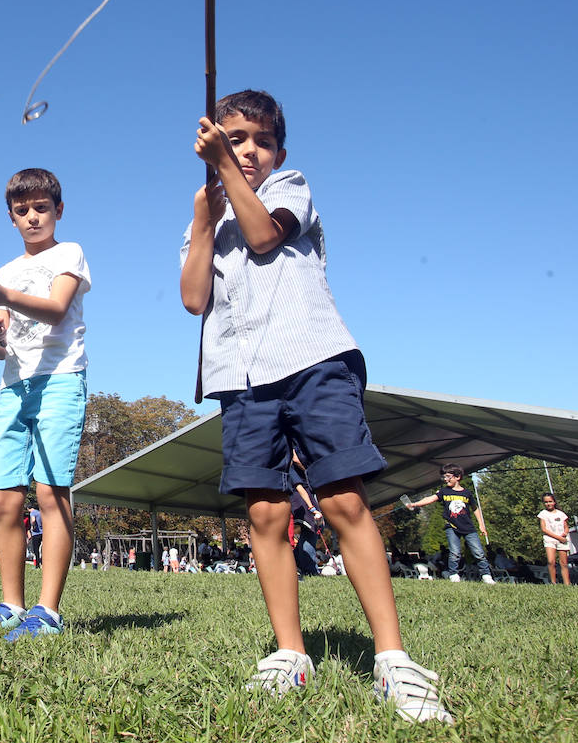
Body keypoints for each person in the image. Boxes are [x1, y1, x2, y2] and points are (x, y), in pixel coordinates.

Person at [180, 90, 452, 723]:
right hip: (241, 379)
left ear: (279, 152)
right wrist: (200, 220)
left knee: (342, 498)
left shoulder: (291, 188)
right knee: (266, 513)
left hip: (313, 360)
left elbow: (266, 237)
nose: (247, 151)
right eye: (233, 139)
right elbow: (194, 299)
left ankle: (393, 659)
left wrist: (225, 170)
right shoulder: (210, 215)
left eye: (258, 141)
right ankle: (288, 654)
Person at [0, 168, 90, 641]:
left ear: (58, 211)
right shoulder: (7, 272)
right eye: (23, 211)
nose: (33, 217)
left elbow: (57, 308)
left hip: (60, 379)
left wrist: (6, 297)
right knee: (2, 498)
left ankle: (48, 609)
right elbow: (2, 345)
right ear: (11, 218)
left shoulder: (69, 253)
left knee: (50, 493)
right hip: (14, 386)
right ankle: (11, 604)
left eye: (42, 208)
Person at [407, 465, 494, 585]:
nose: (445, 479)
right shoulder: (444, 492)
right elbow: (430, 499)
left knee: (479, 553)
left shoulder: (467, 493)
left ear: (457, 477)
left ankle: (486, 576)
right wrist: (414, 504)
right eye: (444, 477)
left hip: (469, 528)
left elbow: (475, 508)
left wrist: (481, 525)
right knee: (455, 553)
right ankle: (453, 575)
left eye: (448, 477)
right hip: (451, 527)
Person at [538, 493, 571, 585]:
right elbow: (544, 529)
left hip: (562, 540)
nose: (548, 504)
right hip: (550, 539)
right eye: (546, 502)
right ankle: (553, 582)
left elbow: (566, 527)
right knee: (551, 561)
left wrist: (565, 533)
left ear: (554, 502)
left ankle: (567, 583)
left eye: (550, 501)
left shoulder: (561, 514)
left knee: (564, 563)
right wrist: (558, 537)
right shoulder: (543, 514)